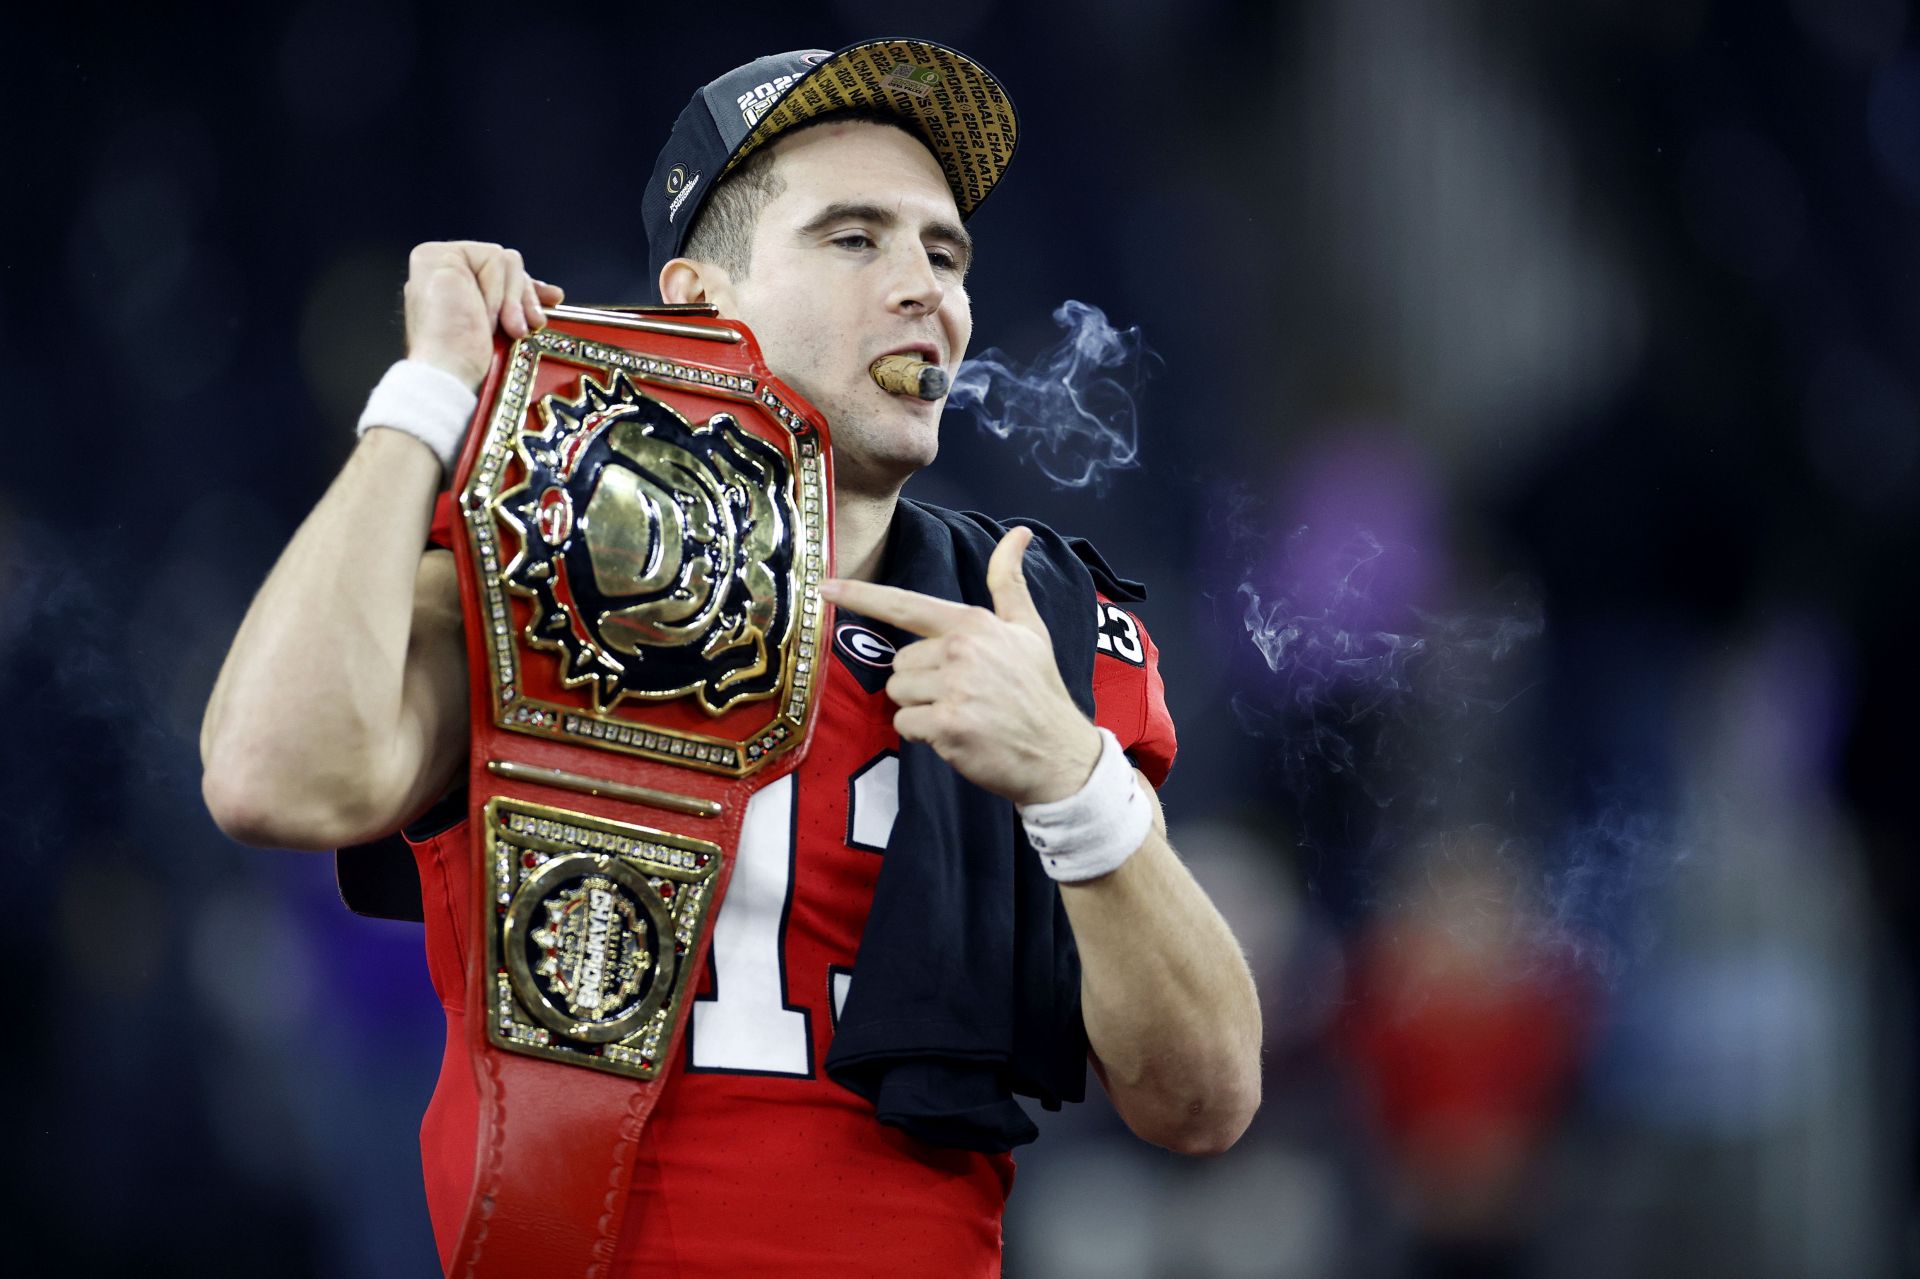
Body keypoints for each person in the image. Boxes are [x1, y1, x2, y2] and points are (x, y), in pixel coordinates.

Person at [201, 37, 1261, 1277]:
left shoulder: (1037, 627)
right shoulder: (528, 561)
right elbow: (268, 778)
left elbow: (1206, 1100)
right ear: (701, 295)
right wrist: (429, 393)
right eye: (854, 238)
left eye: (945, 250)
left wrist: (1079, 787)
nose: (924, 286)